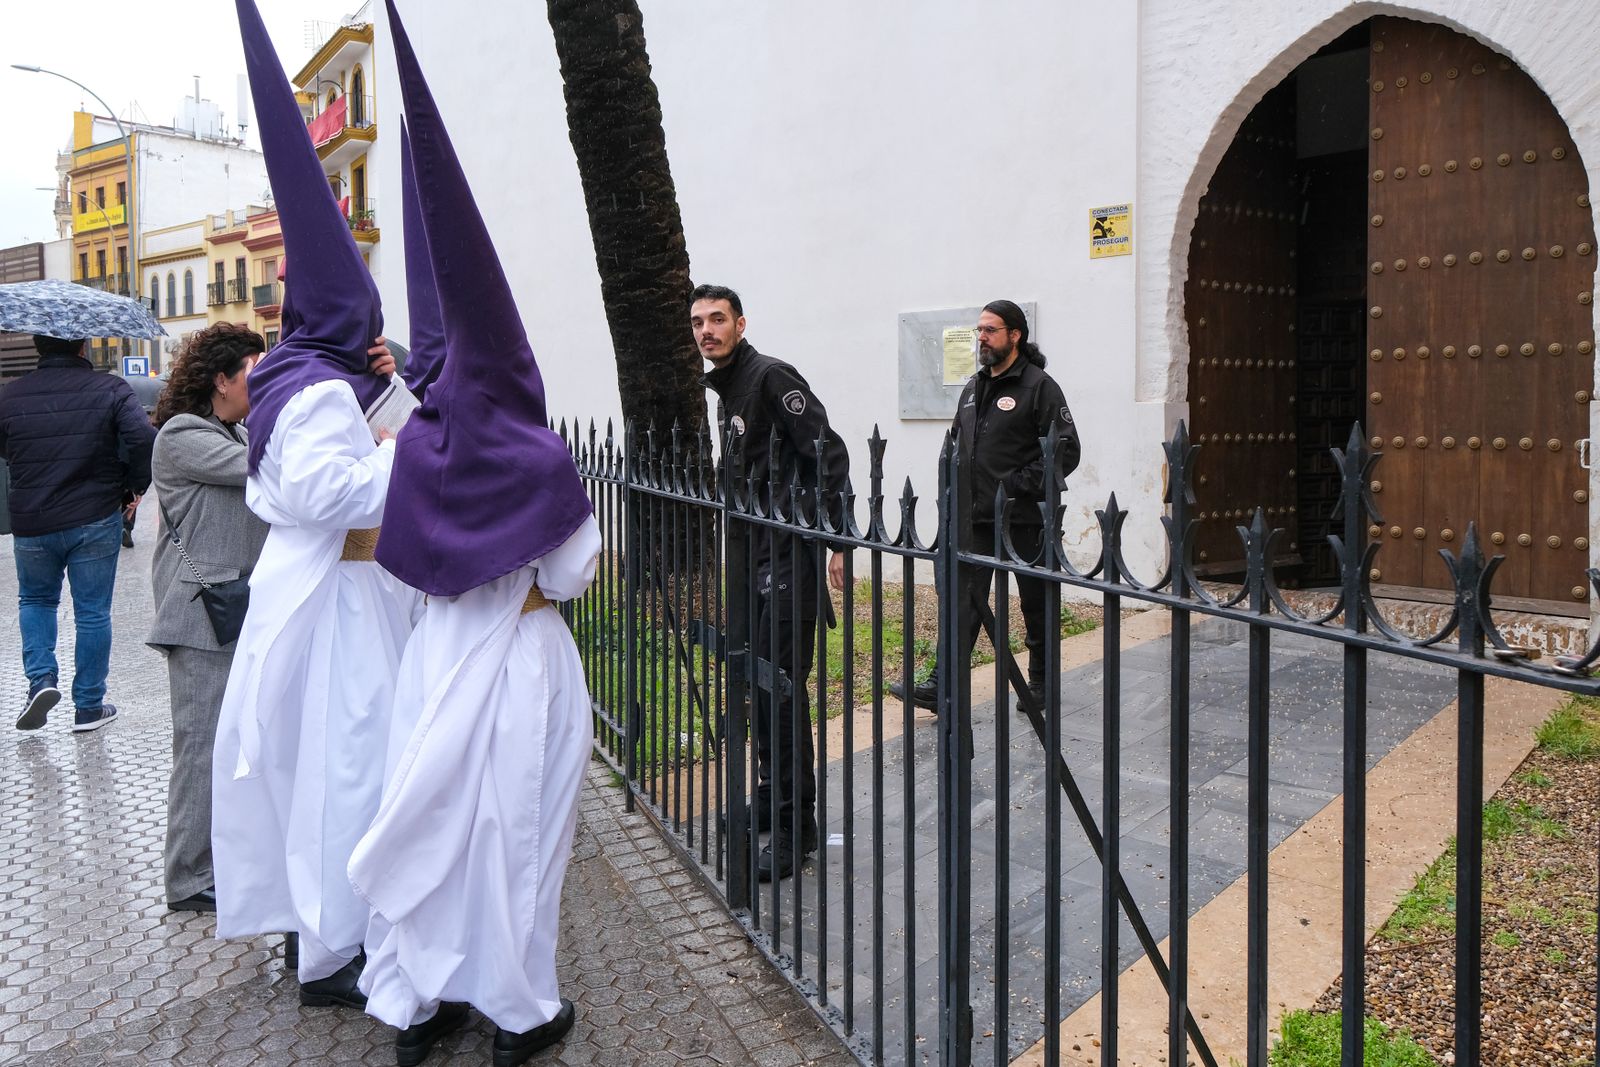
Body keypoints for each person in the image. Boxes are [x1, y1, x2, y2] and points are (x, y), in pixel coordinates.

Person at [348, 9, 597, 1063]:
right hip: (521, 662)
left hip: (434, 660)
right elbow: (573, 572)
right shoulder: (539, 455)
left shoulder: (418, 446)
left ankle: (413, 1009)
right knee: (517, 841)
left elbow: (402, 558)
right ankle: (516, 1012)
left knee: (430, 828)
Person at [211, 0, 418, 1012]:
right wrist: (402, 449)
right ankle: (334, 951)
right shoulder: (320, 390)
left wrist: (388, 395)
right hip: (339, 610)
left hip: (322, 599)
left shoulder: (297, 372)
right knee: (348, 777)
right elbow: (320, 485)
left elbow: (312, 455)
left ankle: (323, 937)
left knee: (326, 776)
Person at [694, 283, 851, 882]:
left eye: (718, 320)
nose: (707, 330)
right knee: (758, 688)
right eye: (699, 322)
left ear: (740, 323)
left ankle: (793, 829)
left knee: (782, 691)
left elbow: (826, 450)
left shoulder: (769, 377)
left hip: (788, 558)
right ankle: (769, 796)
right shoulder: (727, 385)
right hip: (751, 556)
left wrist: (835, 536)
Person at [890, 299, 1080, 712]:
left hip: (1026, 519)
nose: (982, 337)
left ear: (1015, 335)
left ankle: (1042, 686)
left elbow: (1066, 452)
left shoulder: (1039, 387)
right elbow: (955, 444)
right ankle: (943, 686)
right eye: (979, 330)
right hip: (974, 520)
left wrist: (1011, 487)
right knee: (963, 602)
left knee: (1036, 604)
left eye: (991, 330)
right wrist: (950, 491)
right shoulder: (974, 388)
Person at [0, 333, 155, 733]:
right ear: (83, 346)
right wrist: (134, 485)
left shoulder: (10, 394)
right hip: (94, 515)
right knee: (92, 612)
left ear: (37, 346)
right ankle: (88, 706)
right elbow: (142, 439)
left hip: (32, 519)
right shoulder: (111, 389)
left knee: (35, 599)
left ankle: (41, 680)